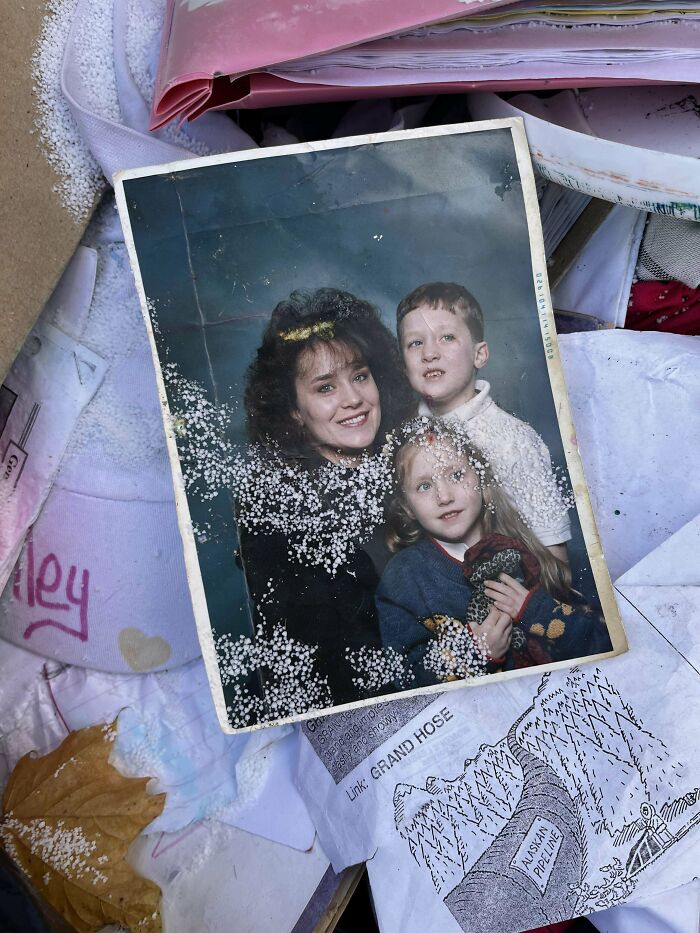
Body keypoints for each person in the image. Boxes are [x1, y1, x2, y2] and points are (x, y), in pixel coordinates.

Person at [237, 287, 413, 710]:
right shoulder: (279, 510)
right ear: (294, 409)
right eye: (324, 388)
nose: (352, 399)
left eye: (358, 376)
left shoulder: (412, 460)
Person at [376, 418, 611, 688]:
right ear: (406, 506)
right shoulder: (403, 579)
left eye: (455, 475)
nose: (444, 496)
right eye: (425, 486)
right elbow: (401, 681)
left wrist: (536, 610)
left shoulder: (526, 546)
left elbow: (602, 644)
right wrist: (475, 653)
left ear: (482, 479)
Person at [396, 281, 571, 561]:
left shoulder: (514, 440)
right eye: (416, 343)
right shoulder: (402, 433)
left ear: (480, 354)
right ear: (405, 367)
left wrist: (528, 600)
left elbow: (554, 554)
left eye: (447, 337)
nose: (429, 354)